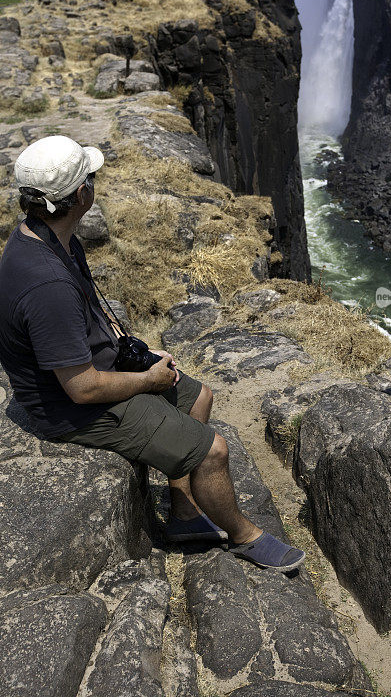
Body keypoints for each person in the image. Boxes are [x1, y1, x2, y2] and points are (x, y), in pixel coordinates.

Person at [0, 135, 305, 573]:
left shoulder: (51, 237)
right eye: (90, 177)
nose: (94, 182)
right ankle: (244, 536)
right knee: (213, 450)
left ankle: (183, 512)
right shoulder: (46, 284)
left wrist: (134, 352)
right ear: (80, 196)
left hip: (91, 373)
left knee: (200, 397)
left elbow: (88, 317)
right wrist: (148, 381)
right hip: (68, 408)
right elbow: (82, 388)